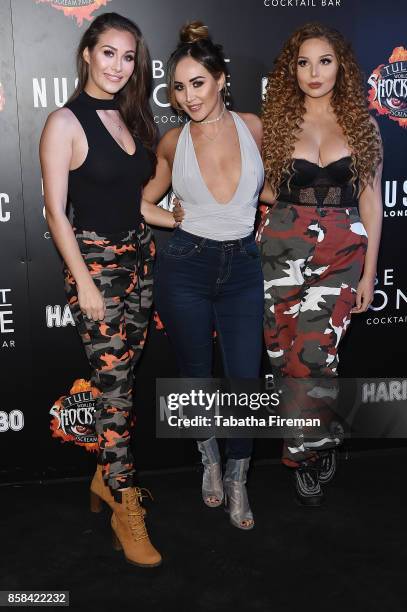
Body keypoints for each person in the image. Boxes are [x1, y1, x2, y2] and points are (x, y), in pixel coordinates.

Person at [40, 12, 178, 567]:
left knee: (123, 377)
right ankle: (125, 508)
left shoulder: (131, 115)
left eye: (128, 57)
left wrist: (176, 217)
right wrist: (84, 281)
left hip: (141, 261)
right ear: (87, 55)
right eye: (108, 53)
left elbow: (137, 201)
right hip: (96, 266)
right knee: (115, 391)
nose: (118, 66)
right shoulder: (64, 123)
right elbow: (55, 213)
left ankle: (103, 476)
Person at [142, 21, 265, 530]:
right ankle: (209, 458)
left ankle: (238, 475)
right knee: (195, 376)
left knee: (243, 380)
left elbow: (279, 184)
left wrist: (264, 217)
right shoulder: (173, 141)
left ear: (220, 80)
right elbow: (145, 202)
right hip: (186, 266)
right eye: (179, 86)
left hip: (242, 268)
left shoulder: (254, 127)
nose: (189, 96)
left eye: (198, 83)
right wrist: (172, 218)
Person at [257, 22, 383, 506]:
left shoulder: (362, 124)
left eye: (324, 61)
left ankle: (306, 457)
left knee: (315, 355)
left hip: (343, 251)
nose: (314, 72)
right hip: (282, 248)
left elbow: (371, 203)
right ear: (292, 69)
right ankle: (322, 438)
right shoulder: (277, 122)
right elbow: (260, 186)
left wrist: (370, 271)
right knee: (283, 357)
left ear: (340, 66)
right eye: (304, 62)